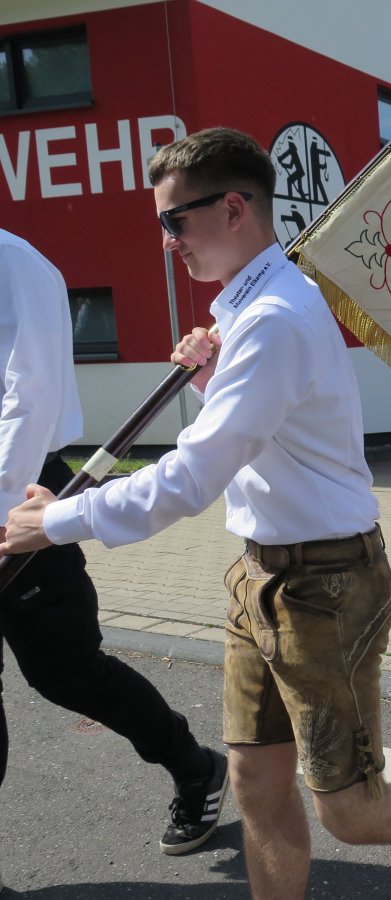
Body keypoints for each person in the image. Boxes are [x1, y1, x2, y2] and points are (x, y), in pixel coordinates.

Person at [0, 129, 391, 900]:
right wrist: (213, 379)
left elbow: (192, 476)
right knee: (256, 780)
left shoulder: (274, 317)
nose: (166, 242)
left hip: (327, 583)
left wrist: (55, 522)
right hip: (260, 573)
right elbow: (262, 434)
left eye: (174, 221)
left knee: (349, 811)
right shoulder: (251, 309)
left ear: (232, 209)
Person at [0, 229, 228, 856]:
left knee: (67, 674)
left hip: (20, 496)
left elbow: (30, 395)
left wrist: (6, 515)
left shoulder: (14, 263)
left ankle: (194, 766)